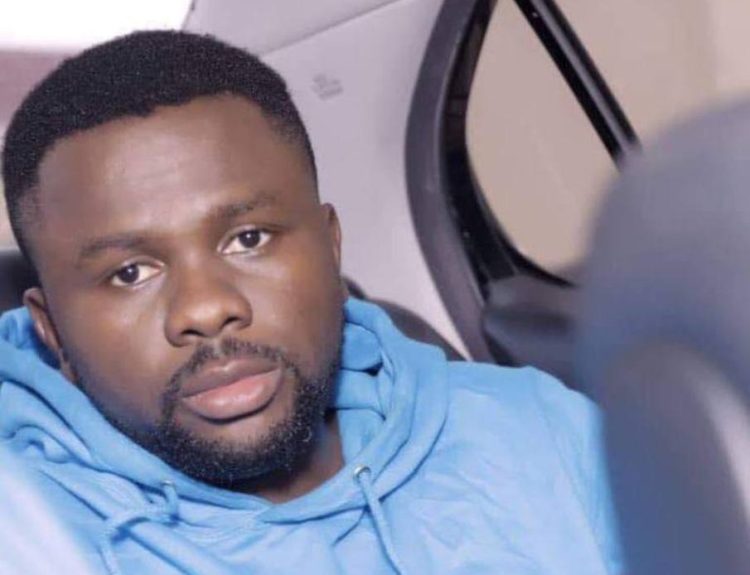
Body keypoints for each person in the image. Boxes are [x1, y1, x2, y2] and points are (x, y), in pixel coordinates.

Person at [0, 30, 622, 574]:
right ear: (52, 331)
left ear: (331, 247)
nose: (206, 309)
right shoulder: (31, 540)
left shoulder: (541, 431)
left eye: (248, 239)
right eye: (130, 272)